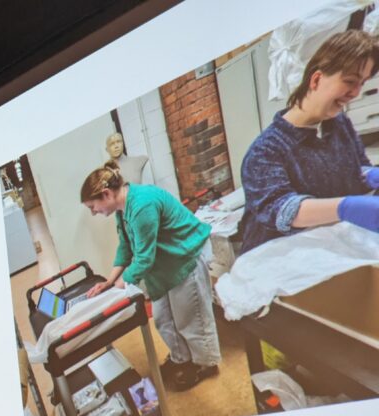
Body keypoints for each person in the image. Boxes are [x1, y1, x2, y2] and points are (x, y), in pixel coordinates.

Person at [80, 162, 221, 390]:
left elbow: (144, 258)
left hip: (184, 257)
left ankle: (206, 364)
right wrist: (108, 282)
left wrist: (117, 289)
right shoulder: (122, 209)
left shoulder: (142, 205)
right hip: (163, 264)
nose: (93, 212)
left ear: (106, 194)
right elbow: (126, 246)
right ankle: (181, 358)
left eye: (92, 206)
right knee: (163, 319)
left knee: (190, 319)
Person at [240, 29, 379, 254]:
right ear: (316, 79)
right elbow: (282, 211)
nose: (355, 92)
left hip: (328, 250)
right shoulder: (265, 151)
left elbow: (355, 167)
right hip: (278, 262)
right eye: (350, 81)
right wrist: (345, 208)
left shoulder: (339, 124)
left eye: (362, 83)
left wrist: (369, 175)